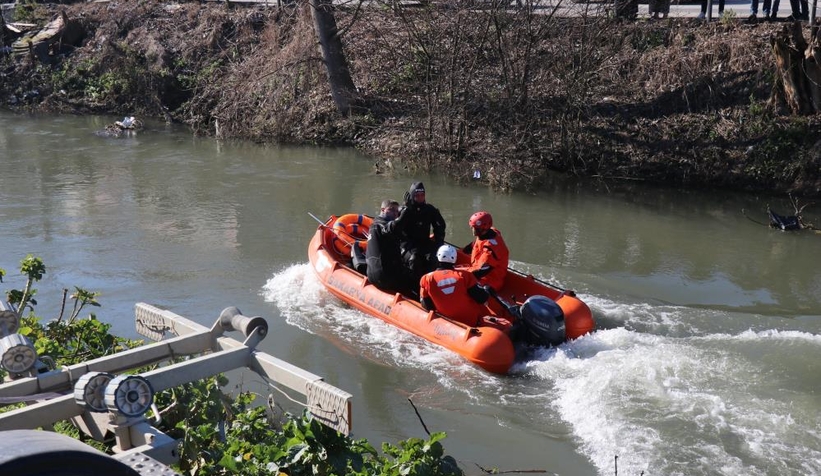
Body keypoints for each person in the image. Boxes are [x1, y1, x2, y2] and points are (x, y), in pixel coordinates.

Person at [419, 245, 490, 327]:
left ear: (438, 257)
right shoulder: (465, 275)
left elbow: (426, 306)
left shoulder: (426, 279)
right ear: (455, 258)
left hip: (445, 323)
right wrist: (486, 290)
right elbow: (482, 298)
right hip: (470, 322)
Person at [366, 200, 416, 296]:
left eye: (397, 211)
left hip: (376, 273)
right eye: (391, 209)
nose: (395, 213)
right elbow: (391, 228)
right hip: (384, 276)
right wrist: (404, 214)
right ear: (383, 210)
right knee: (416, 280)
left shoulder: (377, 225)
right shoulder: (379, 225)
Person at [399, 182, 447, 282]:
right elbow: (397, 227)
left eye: (422, 195)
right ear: (412, 196)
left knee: (434, 258)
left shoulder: (429, 209)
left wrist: (439, 243)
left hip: (424, 242)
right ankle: (415, 287)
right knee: (414, 259)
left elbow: (440, 225)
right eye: (417, 196)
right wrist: (406, 210)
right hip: (407, 244)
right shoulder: (404, 210)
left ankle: (432, 284)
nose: (420, 198)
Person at [460, 211, 510, 292]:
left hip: (490, 281)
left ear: (483, 229)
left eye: (475, 228)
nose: (472, 230)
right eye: (472, 227)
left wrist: (462, 277)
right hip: (477, 269)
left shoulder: (489, 251)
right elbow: (475, 244)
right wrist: (463, 251)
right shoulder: (489, 232)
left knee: (458, 284)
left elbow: (481, 272)